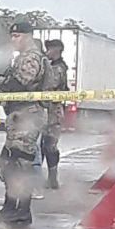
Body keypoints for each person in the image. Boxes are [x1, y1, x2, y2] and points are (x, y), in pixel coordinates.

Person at [0, 22, 47, 224]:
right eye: (12, 36)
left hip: (27, 114)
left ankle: (20, 209)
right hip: (18, 114)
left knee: (20, 163)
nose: (13, 40)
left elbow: (19, 84)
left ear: (29, 36)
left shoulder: (31, 57)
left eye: (17, 36)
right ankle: (11, 207)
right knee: (9, 162)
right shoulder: (21, 57)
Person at [42, 39, 68, 189]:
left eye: (50, 49)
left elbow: (50, 85)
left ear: (57, 50)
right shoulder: (53, 66)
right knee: (43, 146)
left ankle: (53, 178)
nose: (47, 52)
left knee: (50, 146)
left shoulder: (59, 68)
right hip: (46, 111)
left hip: (53, 112)